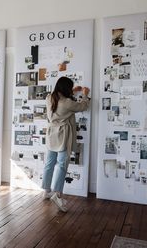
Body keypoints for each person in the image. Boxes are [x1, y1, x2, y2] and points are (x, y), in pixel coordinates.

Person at [41, 76, 90, 212]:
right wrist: (85, 95)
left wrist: (73, 91)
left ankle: (46, 190)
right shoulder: (67, 103)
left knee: (50, 163)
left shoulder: (49, 98)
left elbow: (61, 101)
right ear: (65, 89)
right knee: (62, 164)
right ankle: (57, 194)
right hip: (63, 135)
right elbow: (83, 106)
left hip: (51, 134)